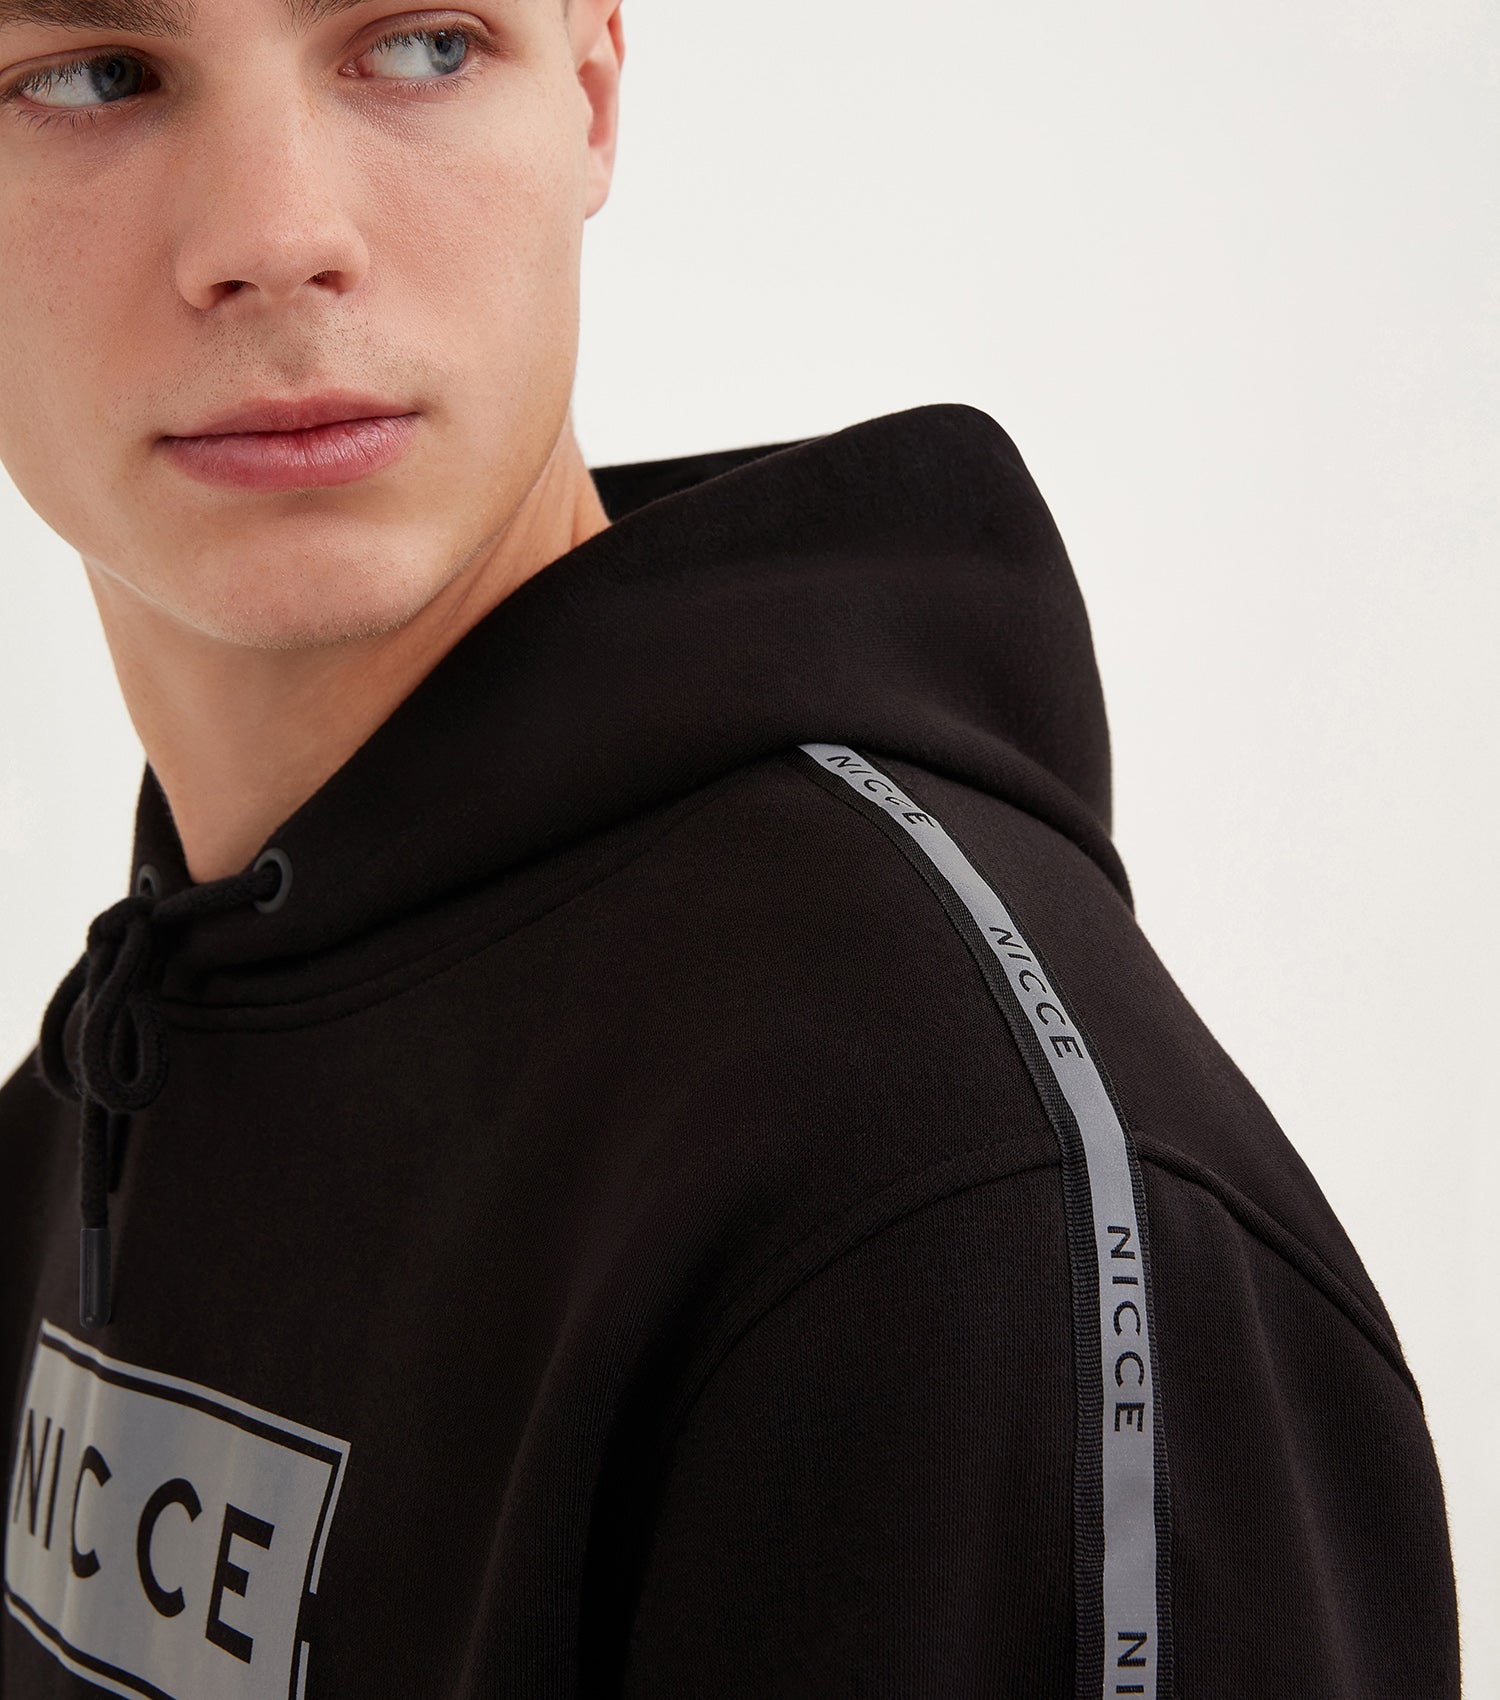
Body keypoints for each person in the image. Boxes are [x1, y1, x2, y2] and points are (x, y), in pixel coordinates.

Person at [0, 1, 1461, 1695]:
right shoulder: (130, 1058)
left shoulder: (951, 1208)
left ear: (592, 98)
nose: (273, 235)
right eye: (93, 77)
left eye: (420, 45)